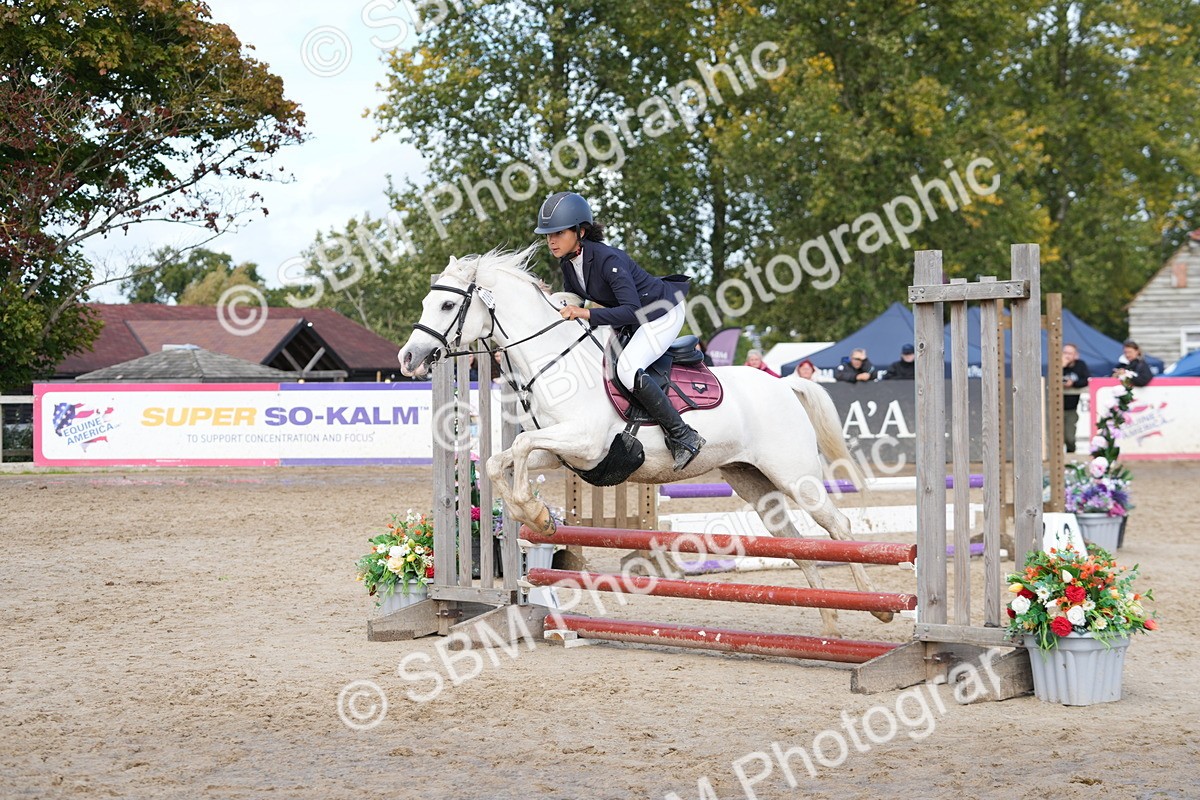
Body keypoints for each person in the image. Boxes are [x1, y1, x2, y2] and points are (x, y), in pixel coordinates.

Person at [536, 191, 704, 470]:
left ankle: (683, 436)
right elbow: (577, 299)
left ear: (581, 231)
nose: (551, 240)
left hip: (661, 313)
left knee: (627, 369)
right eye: (547, 234)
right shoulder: (568, 263)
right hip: (635, 317)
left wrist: (585, 312)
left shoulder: (607, 259)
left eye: (559, 233)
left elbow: (629, 309)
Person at [1061, 343, 1090, 453]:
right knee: (1057, 437)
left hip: (1071, 407)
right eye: (1065, 353)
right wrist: (1062, 366)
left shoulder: (1080, 365)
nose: (1067, 356)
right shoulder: (1057, 364)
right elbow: (1050, 380)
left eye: (1070, 353)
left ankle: (1071, 454)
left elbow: (1086, 379)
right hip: (1055, 407)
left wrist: (1073, 383)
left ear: (1076, 355)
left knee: (1069, 437)